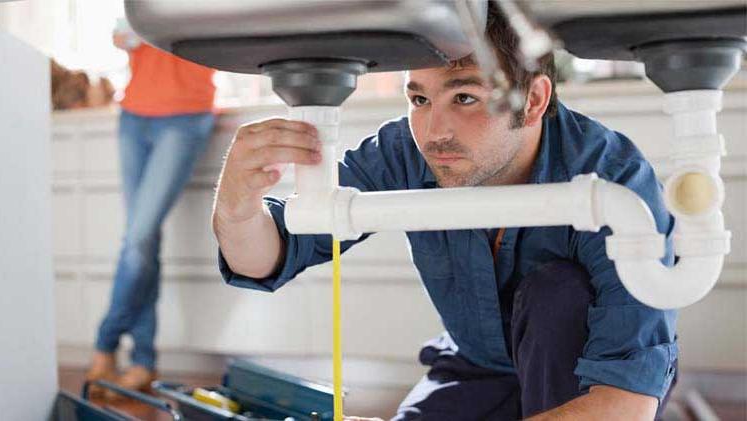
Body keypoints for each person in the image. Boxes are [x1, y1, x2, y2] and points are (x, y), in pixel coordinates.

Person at [212, 5, 677, 420]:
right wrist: (236, 207)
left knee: (556, 292)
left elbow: (625, 401)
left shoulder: (613, 180)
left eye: (465, 97)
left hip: (585, 376)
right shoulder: (404, 151)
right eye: (419, 99)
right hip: (476, 368)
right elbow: (268, 255)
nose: (434, 132)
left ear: (533, 100)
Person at [85, 21, 217, 395]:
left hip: (185, 116)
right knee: (143, 241)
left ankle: (104, 345)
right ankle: (143, 360)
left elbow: (208, 40)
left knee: (138, 237)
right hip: (134, 116)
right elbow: (121, 36)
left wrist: (148, 31)